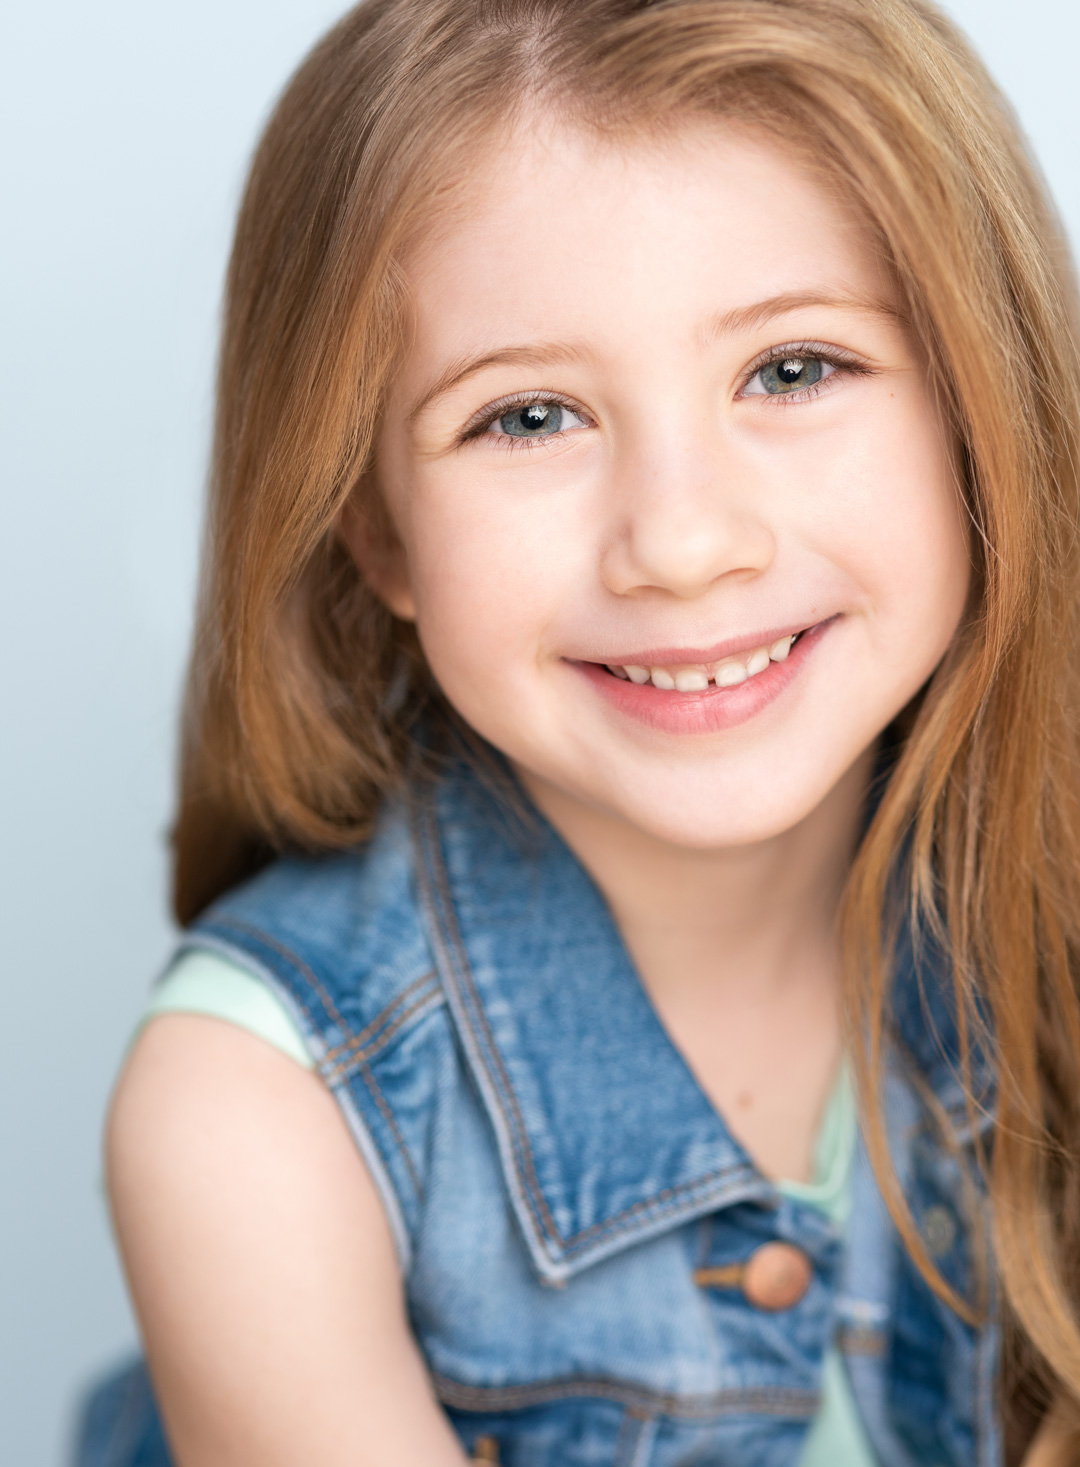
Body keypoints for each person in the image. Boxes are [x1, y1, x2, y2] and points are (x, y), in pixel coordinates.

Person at [75, 1, 1080, 1464]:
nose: (680, 542)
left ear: (988, 415)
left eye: (792, 370)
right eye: (530, 416)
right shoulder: (252, 1122)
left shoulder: (1036, 910)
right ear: (378, 532)